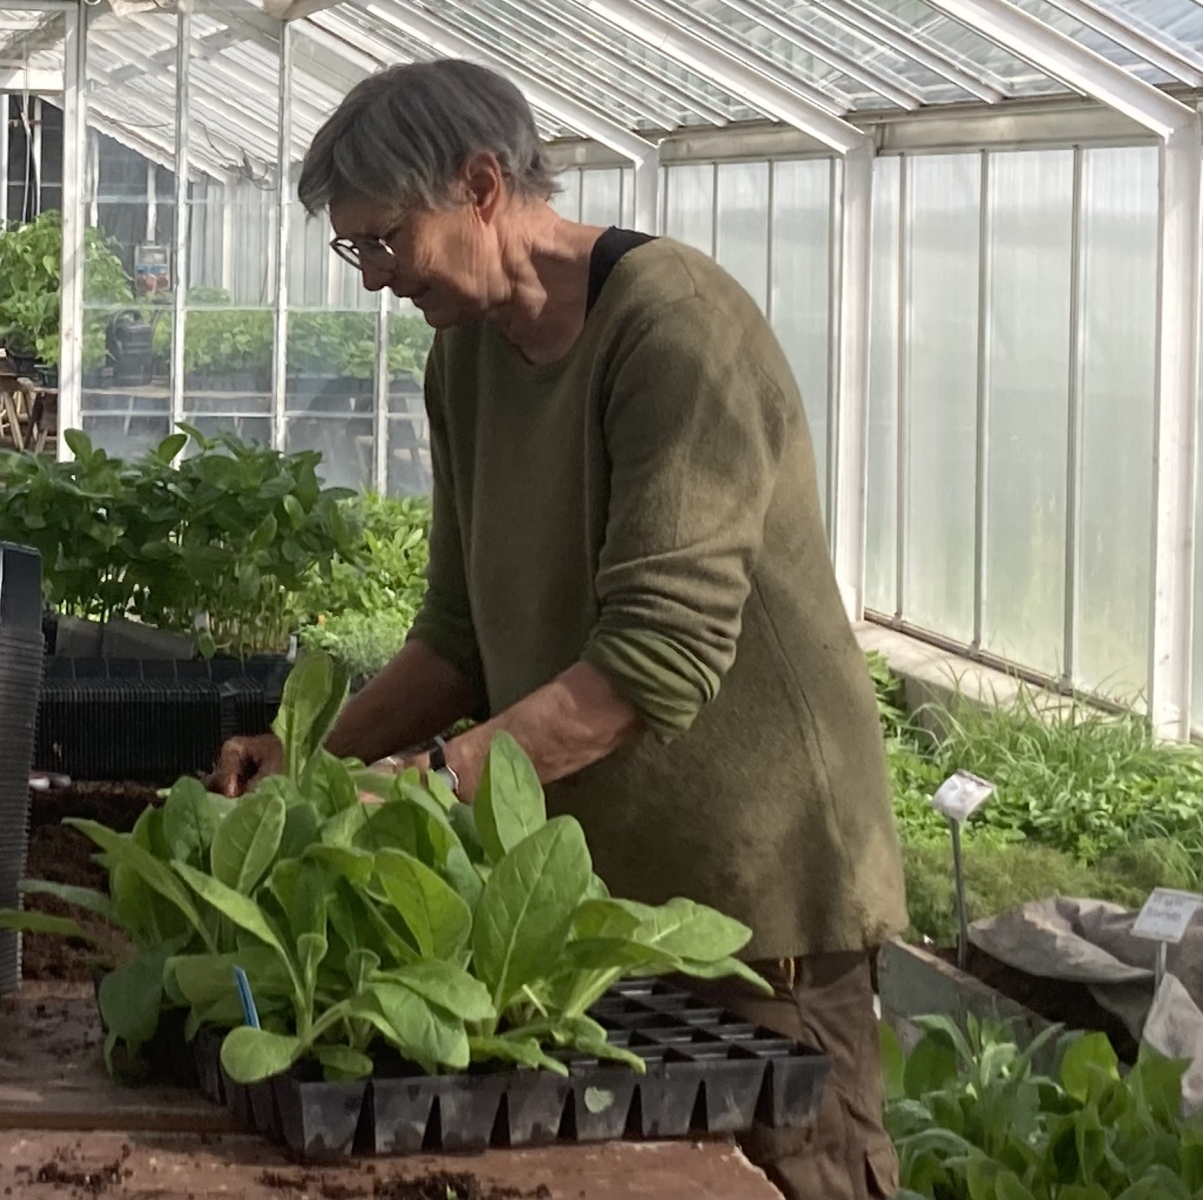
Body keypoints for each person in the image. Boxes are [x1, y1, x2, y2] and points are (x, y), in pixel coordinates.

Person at [210, 59, 903, 1200]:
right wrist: (311, 764)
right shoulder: (465, 355)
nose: (375, 277)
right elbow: (455, 636)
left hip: (754, 891)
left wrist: (429, 784)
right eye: (354, 249)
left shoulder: (673, 330)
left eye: (385, 240)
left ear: (481, 186)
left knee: (794, 1172)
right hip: (587, 904)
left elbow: (655, 663)